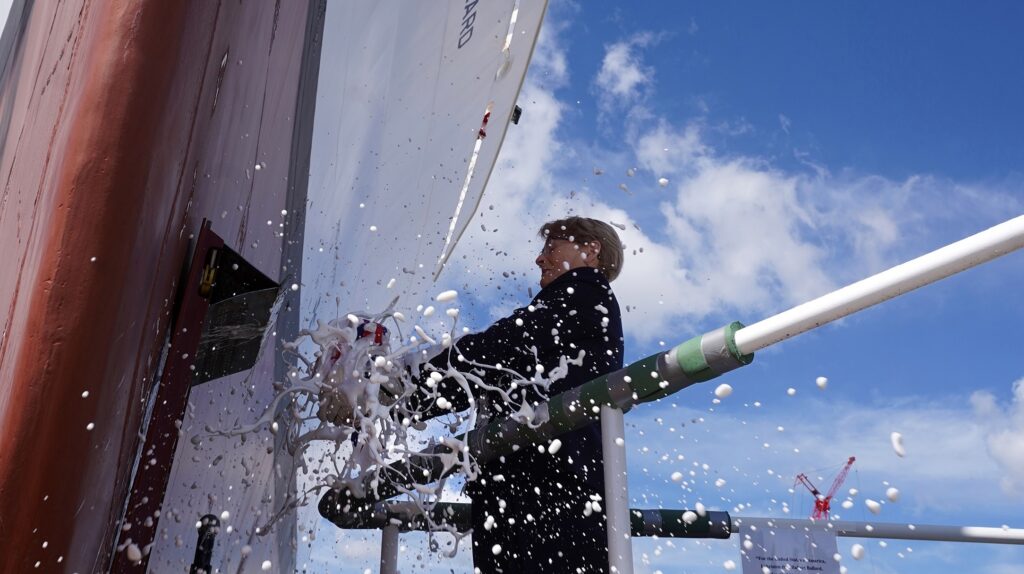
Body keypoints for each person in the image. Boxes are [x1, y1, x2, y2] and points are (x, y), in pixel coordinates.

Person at [409, 216, 626, 573]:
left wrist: (401, 389)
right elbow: (490, 370)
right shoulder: (575, 303)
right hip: (539, 486)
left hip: (550, 491)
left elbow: (499, 349)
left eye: (551, 248)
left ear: (591, 250)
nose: (540, 259)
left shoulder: (584, 291)